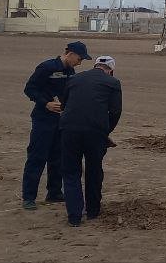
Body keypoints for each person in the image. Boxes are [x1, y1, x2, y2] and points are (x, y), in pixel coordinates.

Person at [22, 41, 89, 210]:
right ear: (70, 54)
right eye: (79, 59)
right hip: (43, 119)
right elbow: (30, 89)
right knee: (37, 157)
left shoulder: (70, 71)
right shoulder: (46, 67)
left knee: (58, 158)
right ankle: (28, 197)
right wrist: (46, 103)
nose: (80, 63)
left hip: (62, 121)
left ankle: (54, 192)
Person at [59, 55, 122, 227]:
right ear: (111, 70)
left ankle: (74, 216)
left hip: (69, 130)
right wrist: (106, 131)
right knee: (94, 170)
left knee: (71, 172)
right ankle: (93, 211)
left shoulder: (74, 78)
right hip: (95, 132)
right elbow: (115, 112)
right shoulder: (113, 83)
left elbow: (64, 104)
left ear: (95, 66)